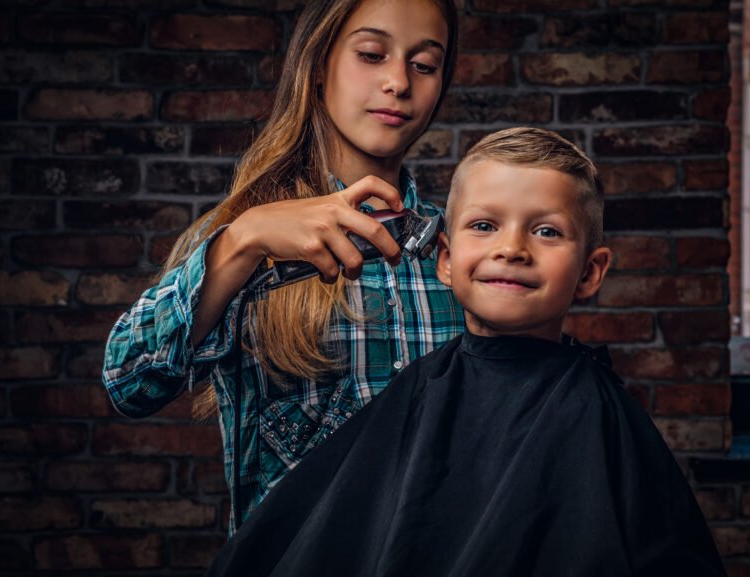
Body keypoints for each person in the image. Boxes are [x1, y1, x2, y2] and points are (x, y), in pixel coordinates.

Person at [204, 128, 727, 577]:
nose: (511, 248)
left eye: (546, 231)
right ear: (447, 261)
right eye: (484, 225)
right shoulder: (417, 392)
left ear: (590, 273)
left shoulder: (597, 415)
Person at [102, 0, 465, 534]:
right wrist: (242, 241)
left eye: (424, 64)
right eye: (370, 54)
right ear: (318, 66)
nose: (397, 81)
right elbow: (128, 384)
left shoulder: (463, 250)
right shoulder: (242, 237)